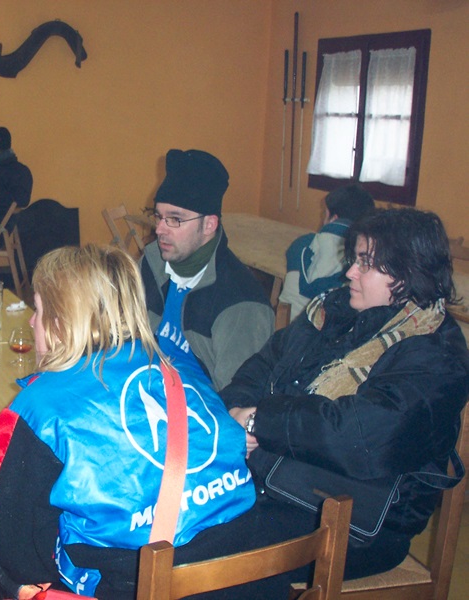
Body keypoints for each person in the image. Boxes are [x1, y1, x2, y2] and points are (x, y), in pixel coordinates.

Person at [0, 244, 256, 599]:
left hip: (134, 587)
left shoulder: (41, 407)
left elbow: (15, 548)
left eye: (39, 309)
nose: (32, 321)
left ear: (62, 322)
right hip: (244, 574)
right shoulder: (179, 369)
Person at [222, 208, 469, 581]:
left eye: (366, 263)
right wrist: (235, 411)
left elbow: (359, 437)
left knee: (210, 556)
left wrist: (260, 422)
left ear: (407, 273)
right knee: (172, 514)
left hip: (357, 522)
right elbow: (264, 364)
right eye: (355, 259)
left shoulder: (435, 355)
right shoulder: (333, 311)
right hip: (279, 480)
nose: (350, 272)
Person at [140, 149, 274, 391]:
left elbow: (237, 398)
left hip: (197, 409)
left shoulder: (242, 304)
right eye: (158, 216)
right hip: (144, 384)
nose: (159, 229)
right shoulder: (152, 263)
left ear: (209, 225)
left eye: (175, 219)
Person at [278, 184, 375, 319]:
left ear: (333, 218)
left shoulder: (301, 244)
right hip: (327, 328)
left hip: (286, 323)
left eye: (324, 214)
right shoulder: (364, 256)